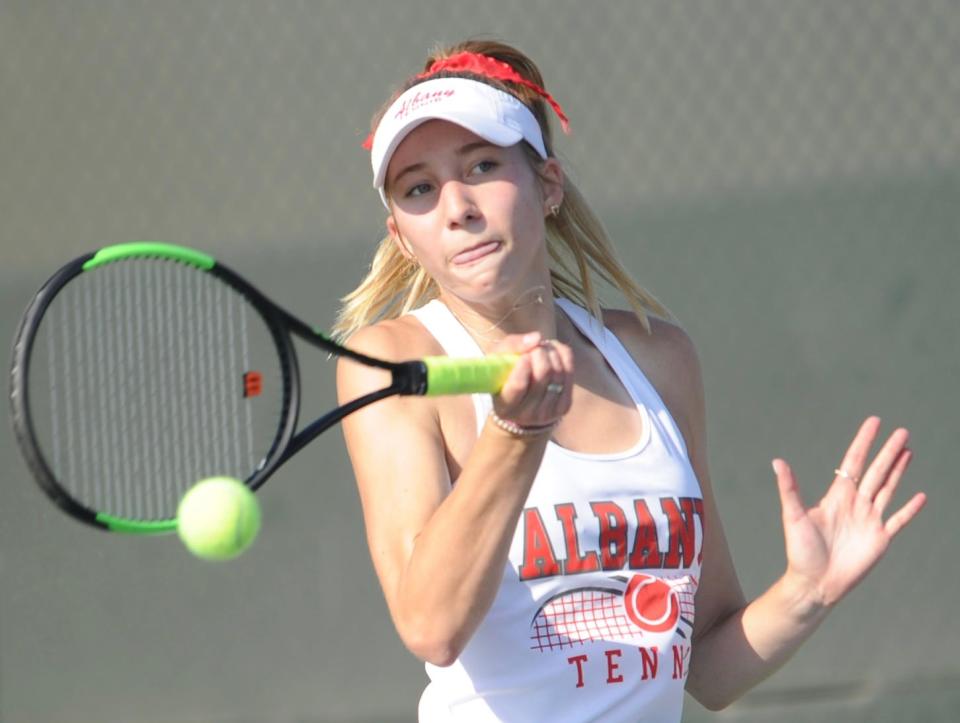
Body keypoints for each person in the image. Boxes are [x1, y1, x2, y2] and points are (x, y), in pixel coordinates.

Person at [334, 39, 926, 722]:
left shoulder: (658, 358)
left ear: (547, 185)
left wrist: (807, 591)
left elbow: (706, 662)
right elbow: (431, 626)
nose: (456, 205)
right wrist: (514, 432)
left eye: (484, 165)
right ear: (402, 235)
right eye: (419, 188)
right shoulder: (393, 363)